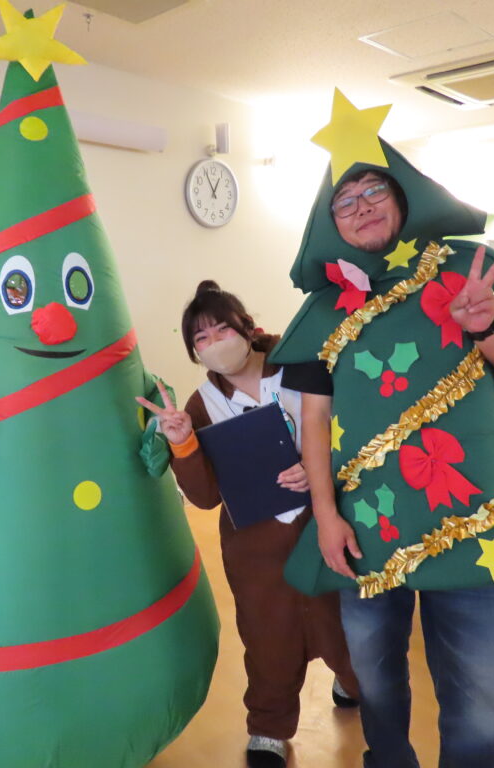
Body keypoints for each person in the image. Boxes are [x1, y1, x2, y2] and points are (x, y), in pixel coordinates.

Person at [271, 114, 494, 768]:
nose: (362, 207)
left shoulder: (467, 271)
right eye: (345, 201)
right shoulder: (325, 308)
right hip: (367, 524)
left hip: (470, 519)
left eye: (374, 191)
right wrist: (327, 515)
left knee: (480, 695)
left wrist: (486, 329)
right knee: (376, 678)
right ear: (330, 222)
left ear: (404, 197)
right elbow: (314, 420)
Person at [137, 281, 359, 768]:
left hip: (324, 523)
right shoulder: (200, 405)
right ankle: (269, 727)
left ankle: (352, 681)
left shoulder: (302, 367)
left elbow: (355, 429)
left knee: (342, 619)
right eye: (201, 338)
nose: (214, 342)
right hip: (255, 549)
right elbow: (204, 496)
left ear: (247, 328)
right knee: (267, 636)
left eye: (222, 329)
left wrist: (320, 465)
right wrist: (182, 443)